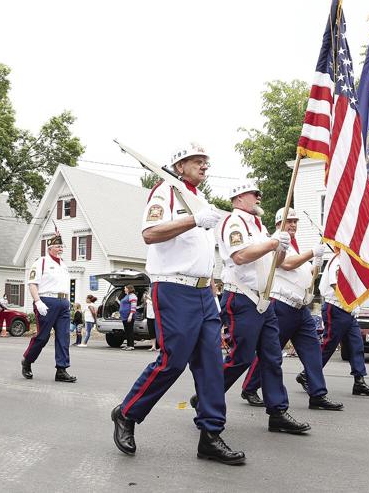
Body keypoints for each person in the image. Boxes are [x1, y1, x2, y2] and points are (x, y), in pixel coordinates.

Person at [112, 142, 245, 465]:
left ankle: (211, 434)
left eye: (205, 162)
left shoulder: (199, 200)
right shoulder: (165, 192)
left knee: (212, 364)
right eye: (197, 161)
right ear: (180, 165)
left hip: (203, 292)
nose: (204, 166)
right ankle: (127, 414)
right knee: (173, 360)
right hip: (173, 288)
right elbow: (150, 233)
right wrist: (193, 220)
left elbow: (200, 252)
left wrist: (212, 285)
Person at [192, 180, 311, 435]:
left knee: (272, 357)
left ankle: (277, 411)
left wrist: (280, 247)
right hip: (242, 298)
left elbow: (275, 264)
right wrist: (271, 244)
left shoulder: (259, 227)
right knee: (241, 358)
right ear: (237, 200)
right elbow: (240, 256)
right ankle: (205, 396)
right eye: (252, 194)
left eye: (258, 193)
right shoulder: (233, 223)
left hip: (263, 299)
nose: (258, 197)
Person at [240, 208, 343, 411]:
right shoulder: (277, 241)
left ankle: (318, 394)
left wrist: (317, 262)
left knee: (313, 350)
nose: (293, 225)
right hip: (281, 305)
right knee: (271, 351)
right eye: (289, 221)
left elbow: (306, 273)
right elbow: (286, 264)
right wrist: (312, 252)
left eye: (295, 222)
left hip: (300, 307)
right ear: (279, 224)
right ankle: (250, 387)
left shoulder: (296, 246)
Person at [318, 249, 369, 396]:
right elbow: (336, 284)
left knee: (356, 345)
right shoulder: (338, 260)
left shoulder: (350, 263)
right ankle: (308, 374)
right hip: (336, 308)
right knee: (328, 345)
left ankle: (359, 381)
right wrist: (350, 301)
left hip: (349, 310)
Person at [20, 231, 76, 382]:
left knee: (63, 337)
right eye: (57, 246)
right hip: (46, 301)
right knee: (42, 337)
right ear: (49, 247)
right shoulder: (41, 262)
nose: (60, 249)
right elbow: (32, 284)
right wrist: (38, 301)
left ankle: (61, 369)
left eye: (61, 246)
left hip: (63, 303)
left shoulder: (63, 264)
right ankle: (27, 361)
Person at [119, 285, 138, 350]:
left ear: (128, 289)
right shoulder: (127, 296)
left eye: (125, 288)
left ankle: (131, 345)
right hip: (124, 316)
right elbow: (124, 304)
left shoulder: (133, 296)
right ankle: (128, 345)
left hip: (129, 316)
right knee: (127, 331)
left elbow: (133, 307)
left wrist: (130, 315)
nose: (124, 289)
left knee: (130, 331)